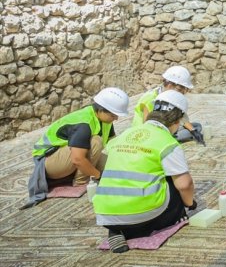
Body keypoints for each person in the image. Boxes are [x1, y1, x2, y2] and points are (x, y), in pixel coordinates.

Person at [93, 90, 197, 253]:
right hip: (142, 214)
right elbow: (185, 185)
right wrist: (190, 204)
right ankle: (142, 227)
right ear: (177, 121)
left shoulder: (125, 134)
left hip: (105, 212)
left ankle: (116, 230)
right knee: (174, 182)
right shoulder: (167, 142)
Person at [23, 87, 130, 209]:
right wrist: (98, 176)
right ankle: (80, 182)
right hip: (47, 162)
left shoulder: (104, 121)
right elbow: (77, 159)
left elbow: (113, 144)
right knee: (96, 142)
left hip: (66, 156)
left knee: (113, 166)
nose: (116, 118)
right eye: (113, 115)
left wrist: (124, 159)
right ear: (101, 110)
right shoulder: (83, 124)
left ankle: (82, 174)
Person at [133, 65, 205, 145]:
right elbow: (147, 125)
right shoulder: (150, 98)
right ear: (170, 85)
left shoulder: (170, 97)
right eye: (180, 90)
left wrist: (194, 131)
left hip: (165, 128)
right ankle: (166, 140)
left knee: (197, 127)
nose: (182, 93)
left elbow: (182, 117)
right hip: (146, 134)